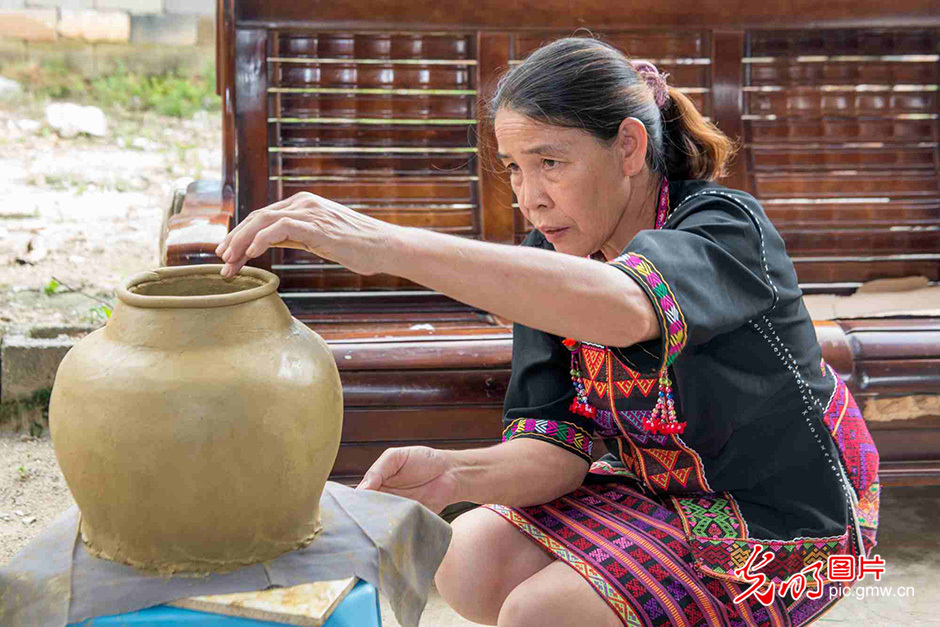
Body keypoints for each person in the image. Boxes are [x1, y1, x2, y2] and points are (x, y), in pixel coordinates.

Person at [215, 37, 880, 627]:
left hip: (791, 517)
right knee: (465, 560)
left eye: (550, 162)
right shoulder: (552, 256)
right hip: (658, 491)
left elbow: (625, 307)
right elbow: (556, 450)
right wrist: (451, 472)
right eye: (513, 166)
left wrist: (386, 245)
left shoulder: (724, 227)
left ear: (628, 147)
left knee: (543, 613)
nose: (528, 195)